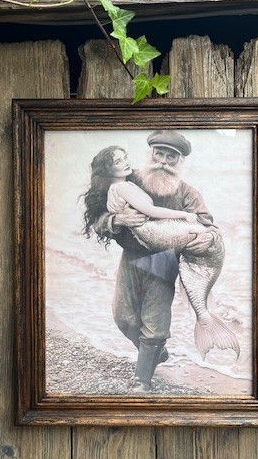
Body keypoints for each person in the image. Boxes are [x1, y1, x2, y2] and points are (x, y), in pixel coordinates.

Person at [83, 130, 233, 392]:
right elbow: (97, 218)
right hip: (130, 257)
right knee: (124, 319)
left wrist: (208, 239)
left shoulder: (188, 193)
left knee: (154, 325)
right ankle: (157, 352)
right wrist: (117, 220)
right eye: (159, 154)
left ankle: (142, 380)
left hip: (164, 261)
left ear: (180, 161)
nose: (163, 161)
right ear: (150, 153)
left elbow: (211, 228)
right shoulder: (128, 180)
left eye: (170, 157)